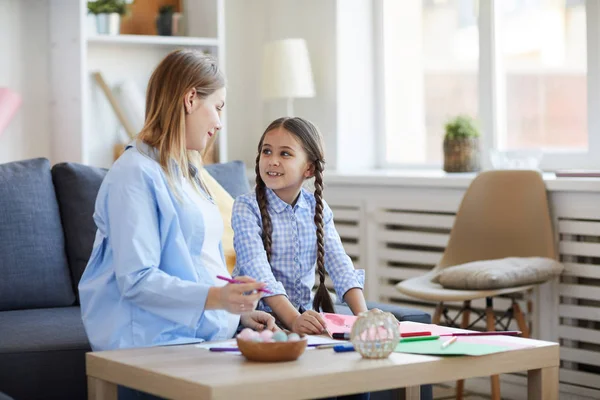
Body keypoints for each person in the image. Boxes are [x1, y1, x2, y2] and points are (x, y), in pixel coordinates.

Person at [78, 49, 276, 358]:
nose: (219, 123)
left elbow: (196, 266)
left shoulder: (186, 171)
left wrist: (236, 315)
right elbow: (137, 281)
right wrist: (219, 299)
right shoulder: (133, 175)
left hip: (199, 338)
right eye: (217, 107)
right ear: (191, 99)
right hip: (151, 343)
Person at [232, 117, 369, 335]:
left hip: (300, 317)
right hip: (255, 319)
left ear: (309, 168)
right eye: (267, 151)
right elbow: (258, 272)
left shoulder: (318, 208)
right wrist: (294, 320)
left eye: (284, 153)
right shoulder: (246, 208)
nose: (272, 160)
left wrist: (364, 317)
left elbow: (340, 264)